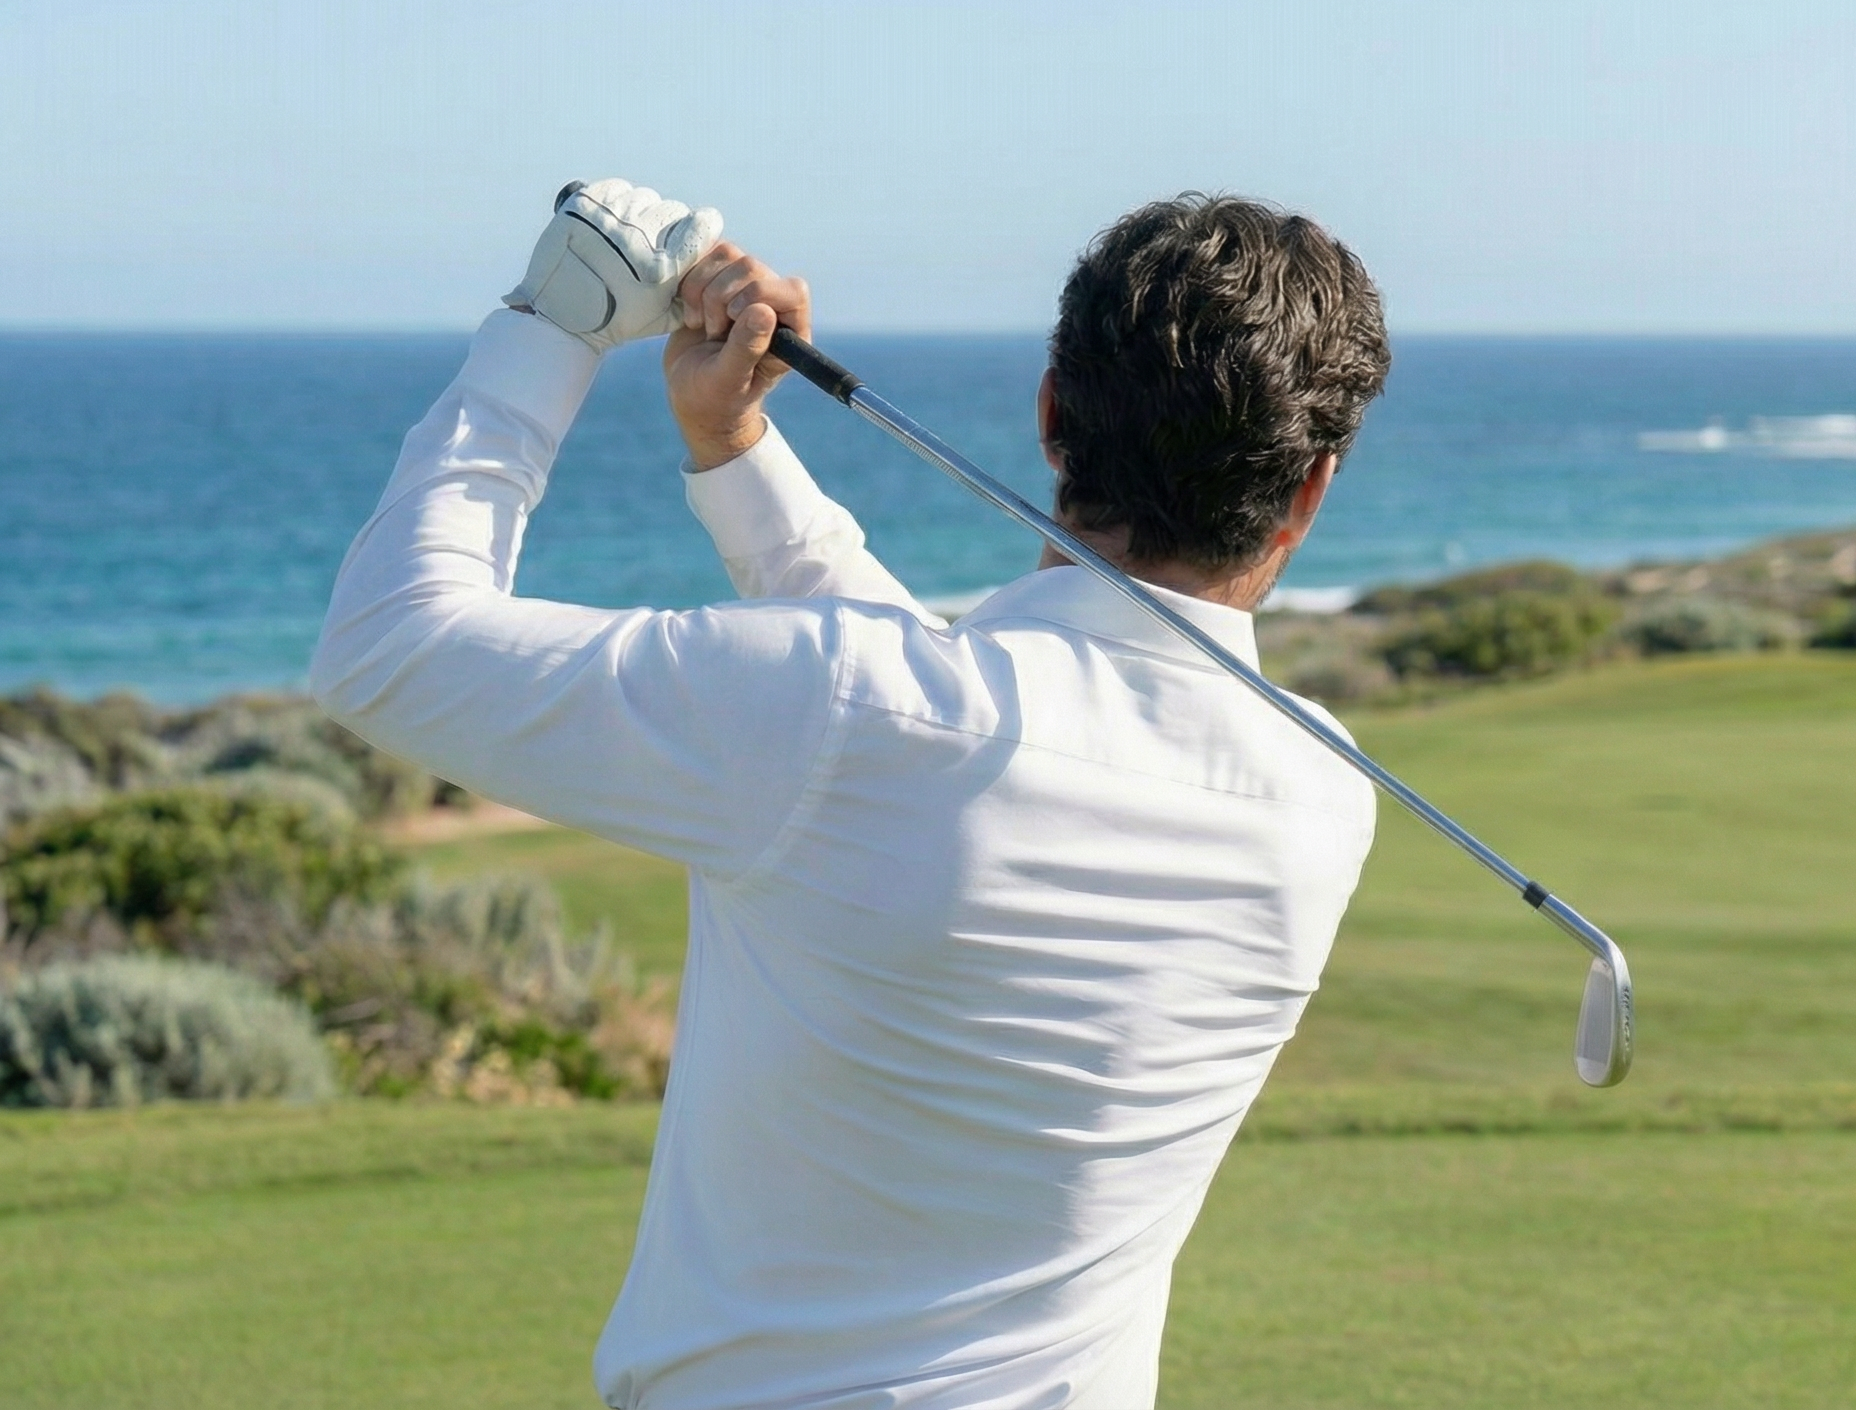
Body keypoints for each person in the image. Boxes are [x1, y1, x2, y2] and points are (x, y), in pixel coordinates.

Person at [312, 180, 1391, 1409]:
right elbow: (927, 720)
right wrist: (735, 450)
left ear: (1050, 414)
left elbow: (387, 646)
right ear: (1310, 486)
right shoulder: (1324, 795)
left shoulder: (860, 718)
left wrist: (554, 323)